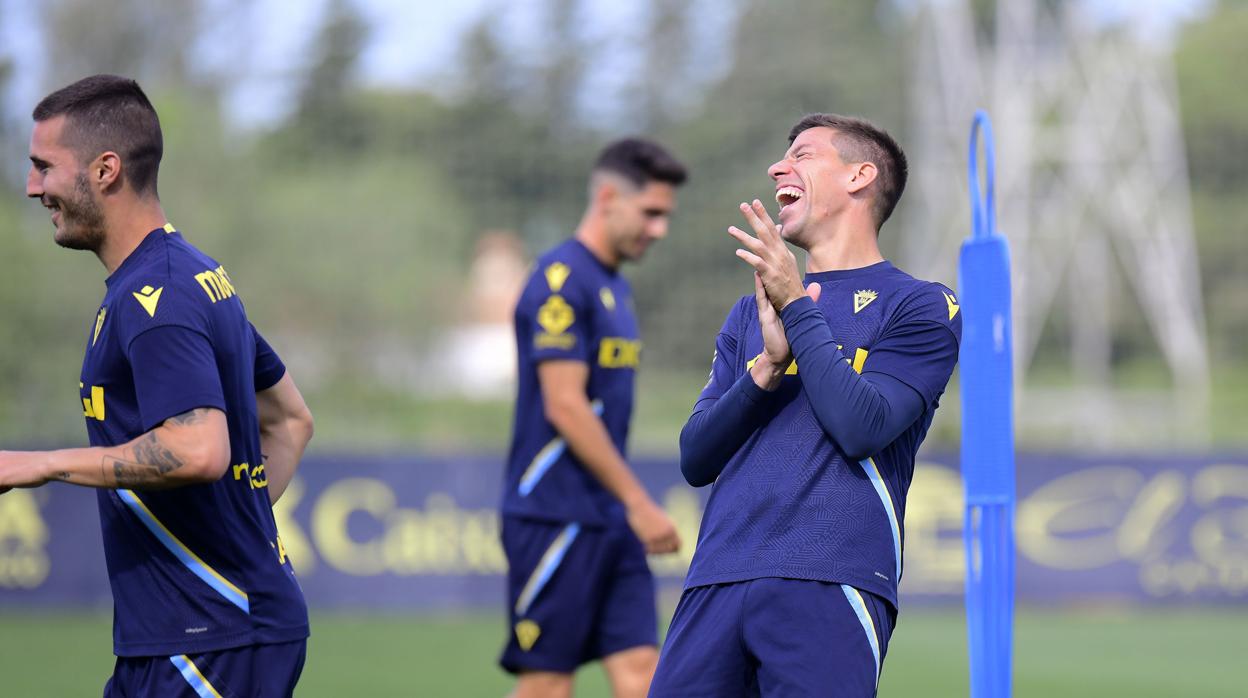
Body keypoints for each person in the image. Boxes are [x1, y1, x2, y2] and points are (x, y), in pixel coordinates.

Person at [0, 74, 314, 697]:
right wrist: (235, 535)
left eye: (43, 167)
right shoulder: (191, 275)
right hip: (188, 635)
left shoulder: (160, 297)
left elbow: (199, 449)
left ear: (106, 170)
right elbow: (290, 420)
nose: (33, 186)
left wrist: (38, 463)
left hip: (212, 640)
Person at [648, 114, 962, 697]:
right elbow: (696, 459)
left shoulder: (919, 306)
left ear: (860, 177)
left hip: (829, 579)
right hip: (716, 578)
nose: (777, 167)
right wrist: (766, 367)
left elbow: (861, 426)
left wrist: (797, 306)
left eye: (804, 154)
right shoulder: (749, 315)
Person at [500, 138, 688, 698]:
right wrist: (639, 502)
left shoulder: (614, 286)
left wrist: (624, 508)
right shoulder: (561, 280)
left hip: (609, 518)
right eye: (651, 213)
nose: (659, 229)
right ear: (608, 196)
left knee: (644, 677)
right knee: (549, 684)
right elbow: (564, 403)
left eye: (666, 216)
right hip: (555, 513)